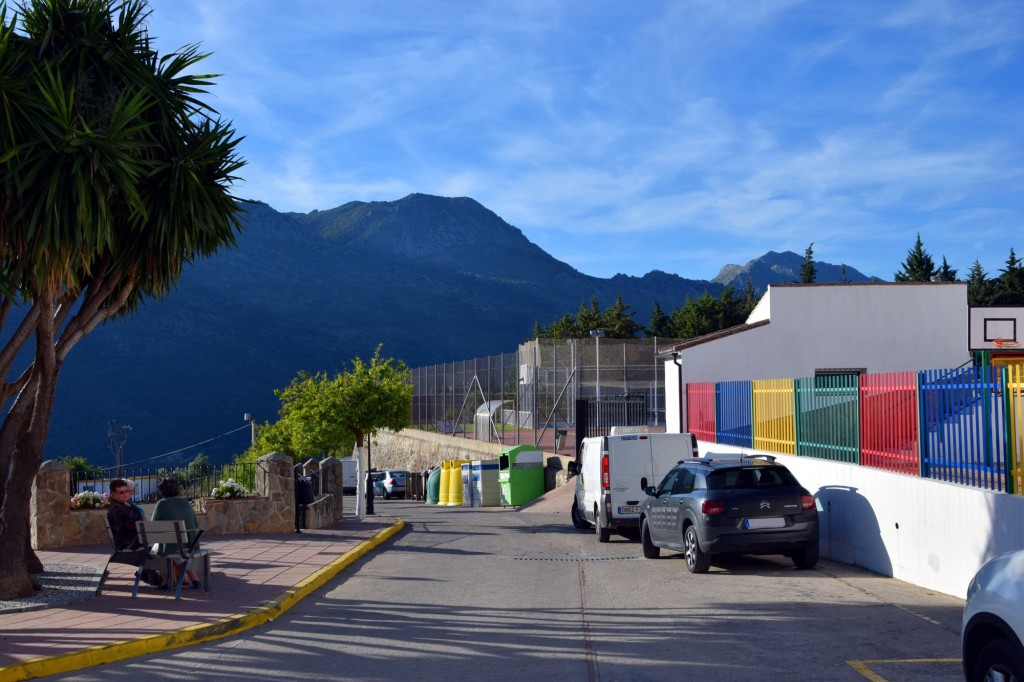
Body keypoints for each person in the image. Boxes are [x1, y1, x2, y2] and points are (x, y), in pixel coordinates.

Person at [106, 478, 165, 587]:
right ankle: (156, 574)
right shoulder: (116, 508)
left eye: (126, 491)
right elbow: (130, 525)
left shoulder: (126, 504)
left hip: (136, 537)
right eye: (121, 492)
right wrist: (144, 524)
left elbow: (136, 522)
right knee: (161, 542)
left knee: (161, 541)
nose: (125, 494)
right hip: (128, 541)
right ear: (113, 493)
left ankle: (151, 572)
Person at [151, 478, 202, 589]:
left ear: (161, 491)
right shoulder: (186, 503)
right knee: (176, 547)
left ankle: (166, 580)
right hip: (190, 544)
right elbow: (195, 523)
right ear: (177, 489)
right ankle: (194, 577)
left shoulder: (161, 504)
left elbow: (153, 526)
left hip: (174, 546)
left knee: (155, 550)